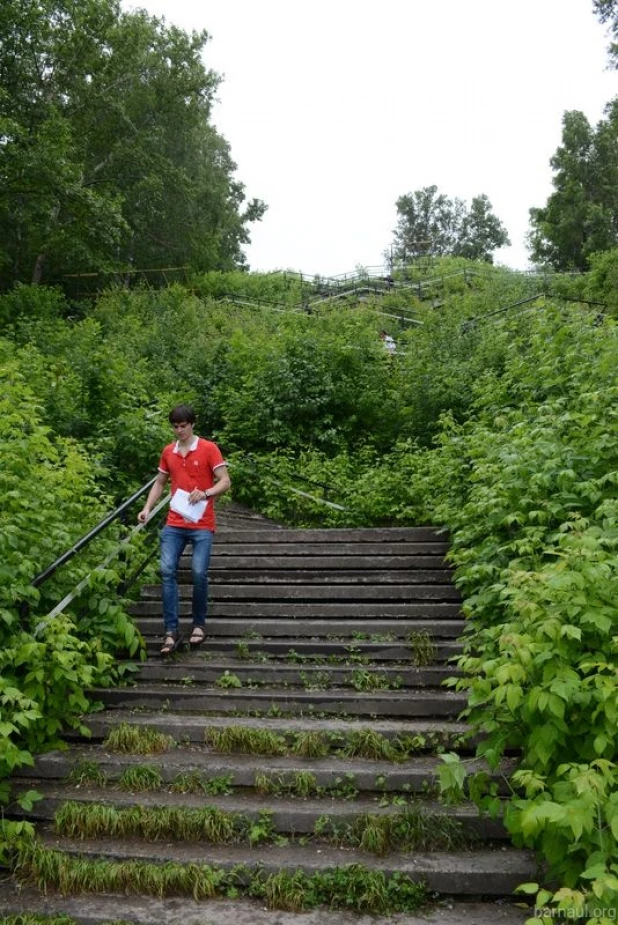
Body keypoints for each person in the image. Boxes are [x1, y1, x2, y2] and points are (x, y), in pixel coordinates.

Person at [138, 404, 231, 657]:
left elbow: (225, 481)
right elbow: (160, 483)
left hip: (201, 523)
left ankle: (198, 624)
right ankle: (171, 630)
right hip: (175, 522)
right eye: (175, 426)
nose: (179, 430)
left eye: (183, 426)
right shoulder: (168, 452)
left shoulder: (209, 448)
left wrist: (206, 492)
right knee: (167, 571)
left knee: (198, 572)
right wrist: (147, 508)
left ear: (192, 424)